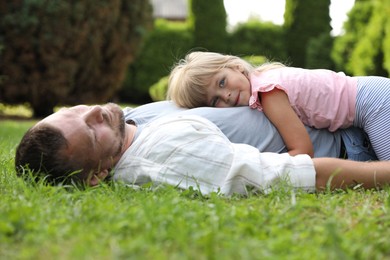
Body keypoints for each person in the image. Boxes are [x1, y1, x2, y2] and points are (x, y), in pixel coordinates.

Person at [14, 103, 389, 196]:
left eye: (74, 111)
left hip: (344, 108)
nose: (94, 111)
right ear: (97, 175)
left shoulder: (127, 124)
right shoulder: (172, 156)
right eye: (91, 130)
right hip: (356, 138)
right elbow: (304, 175)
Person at [167, 51, 390, 160]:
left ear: (235, 66)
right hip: (370, 97)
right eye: (214, 100)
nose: (225, 95)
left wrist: (262, 165)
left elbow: (303, 150)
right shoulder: (263, 77)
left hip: (372, 104)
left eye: (221, 82)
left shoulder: (268, 92)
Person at [124, 101, 377, 161]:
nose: (226, 99)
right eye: (214, 99)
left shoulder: (130, 116)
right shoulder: (147, 148)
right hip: (349, 147)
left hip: (355, 127)